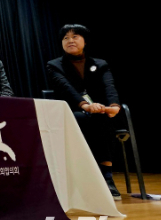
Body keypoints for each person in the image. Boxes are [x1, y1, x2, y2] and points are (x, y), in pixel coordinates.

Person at [47, 24, 123, 200]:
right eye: (66, 38)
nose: (70, 40)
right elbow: (66, 88)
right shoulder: (54, 65)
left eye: (75, 36)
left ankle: (106, 177)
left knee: (103, 119)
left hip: (100, 112)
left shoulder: (100, 64)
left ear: (85, 41)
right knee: (87, 119)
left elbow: (109, 86)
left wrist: (114, 106)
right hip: (71, 112)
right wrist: (85, 105)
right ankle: (94, 176)